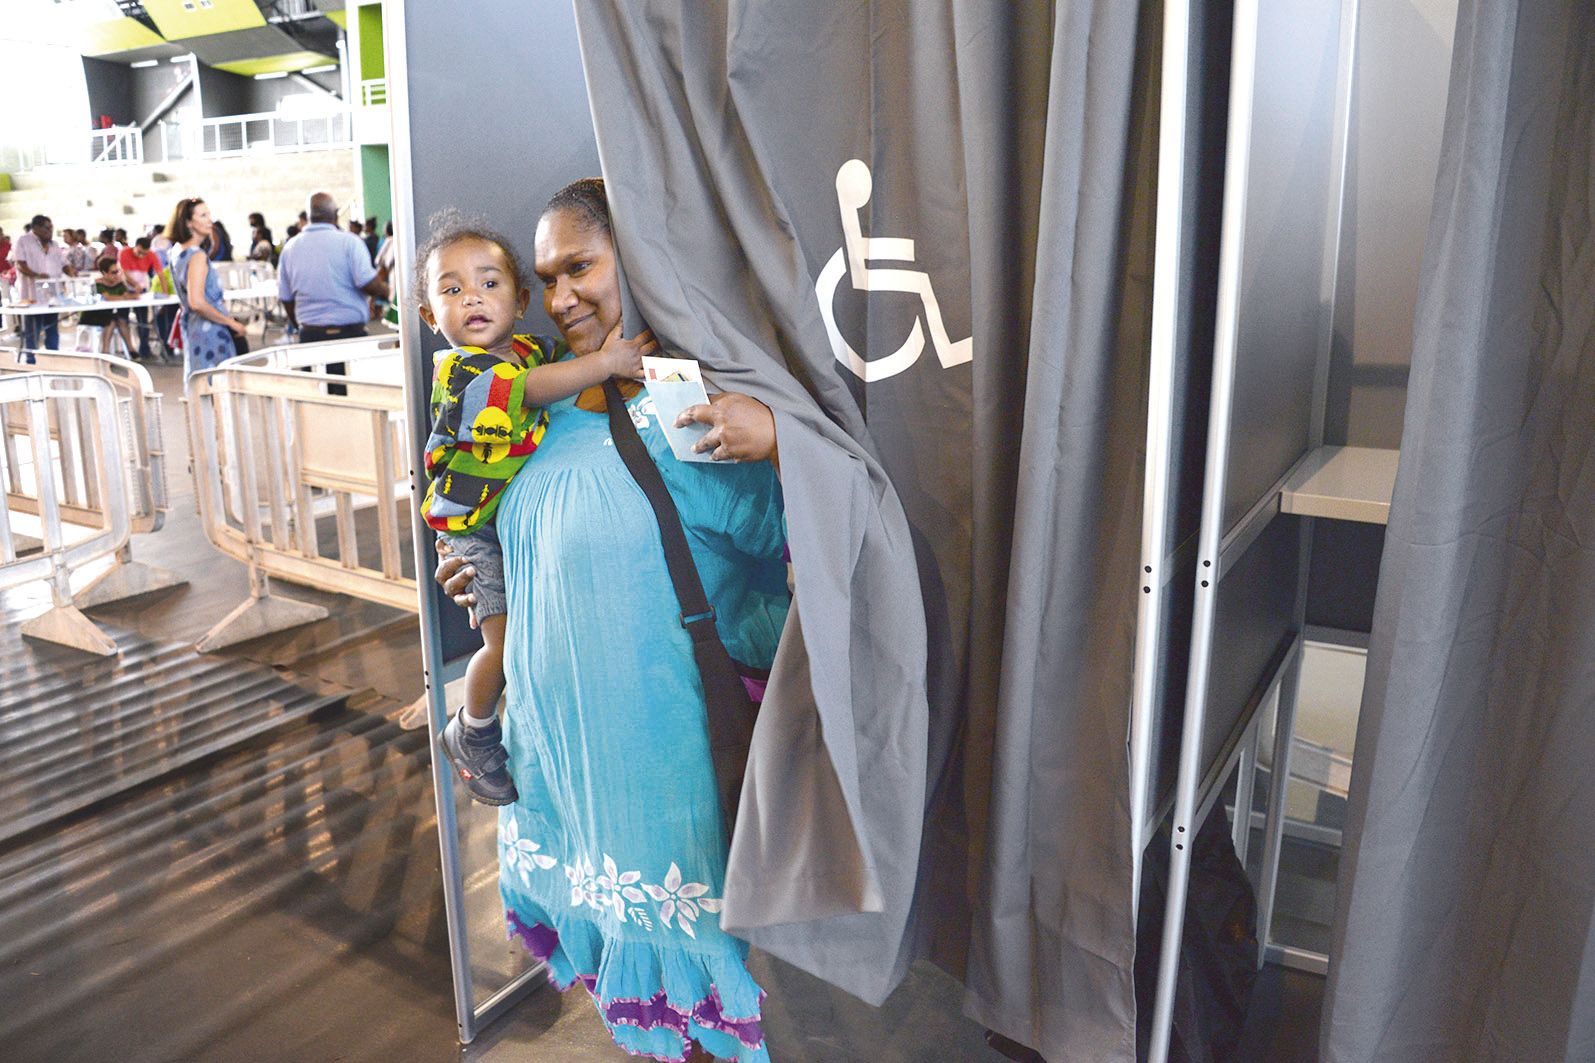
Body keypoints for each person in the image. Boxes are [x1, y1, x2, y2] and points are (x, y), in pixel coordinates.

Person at [433, 179, 786, 1063]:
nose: (560, 298)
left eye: (580, 267)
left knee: (697, 994)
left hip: (662, 765)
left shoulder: (690, 404)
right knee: (623, 991)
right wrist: (486, 568)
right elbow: (524, 526)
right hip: (558, 758)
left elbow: (791, 549)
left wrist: (783, 436)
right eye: (546, 277)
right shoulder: (536, 401)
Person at [417, 210, 652, 806]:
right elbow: (527, 393)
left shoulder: (529, 349)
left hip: (498, 522)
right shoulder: (463, 370)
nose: (472, 298)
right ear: (428, 316)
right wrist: (606, 362)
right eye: (451, 290)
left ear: (519, 301)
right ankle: (472, 729)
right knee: (506, 644)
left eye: (489, 283)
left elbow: (551, 373)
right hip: (473, 533)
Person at [277, 192, 389, 385]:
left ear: (309, 215)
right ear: (335, 214)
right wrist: (388, 291)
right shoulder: (350, 242)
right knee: (359, 399)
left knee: (320, 402)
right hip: (350, 338)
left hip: (311, 338)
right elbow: (367, 283)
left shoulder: (290, 248)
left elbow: (286, 298)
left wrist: (299, 326)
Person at [167, 197, 247, 380]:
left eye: (209, 214)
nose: (209, 220)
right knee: (217, 388)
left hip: (193, 328)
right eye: (203, 215)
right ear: (188, 222)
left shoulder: (177, 252)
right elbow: (197, 302)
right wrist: (231, 322)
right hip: (210, 331)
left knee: (202, 386)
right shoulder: (196, 256)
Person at [13, 214, 74, 353]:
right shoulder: (23, 241)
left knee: (52, 327)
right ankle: (31, 359)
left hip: (53, 294)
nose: (50, 231)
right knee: (33, 329)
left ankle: (53, 357)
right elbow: (20, 264)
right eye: (47, 228)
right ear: (36, 228)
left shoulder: (55, 244)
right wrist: (37, 276)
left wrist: (71, 272)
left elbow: (64, 263)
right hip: (32, 294)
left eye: (51, 228)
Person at [78, 256, 137, 355]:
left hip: (110, 313)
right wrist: (124, 297)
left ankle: (130, 349)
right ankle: (107, 351)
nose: (116, 275)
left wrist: (128, 286)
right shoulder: (97, 284)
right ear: (104, 273)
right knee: (112, 321)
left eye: (118, 271)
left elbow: (129, 295)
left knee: (121, 320)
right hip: (94, 315)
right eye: (113, 272)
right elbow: (108, 298)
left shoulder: (119, 283)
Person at [119, 236, 163, 360]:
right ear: (135, 246)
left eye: (145, 254)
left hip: (141, 290)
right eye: (139, 252)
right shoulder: (124, 252)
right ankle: (130, 349)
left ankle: (144, 348)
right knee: (123, 319)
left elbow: (160, 274)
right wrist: (134, 284)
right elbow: (124, 272)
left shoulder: (151, 254)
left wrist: (165, 292)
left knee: (142, 321)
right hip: (125, 289)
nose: (141, 256)